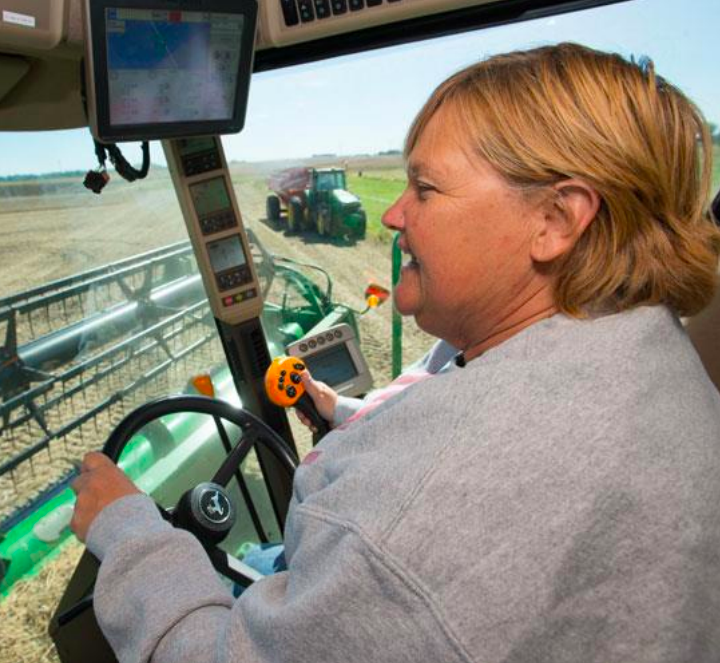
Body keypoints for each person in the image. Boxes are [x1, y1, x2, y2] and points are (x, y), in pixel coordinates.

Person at [71, 43, 720, 662]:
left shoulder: (412, 525)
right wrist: (347, 412)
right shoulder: (647, 357)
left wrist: (131, 532)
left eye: (426, 189)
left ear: (555, 221)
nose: (393, 215)